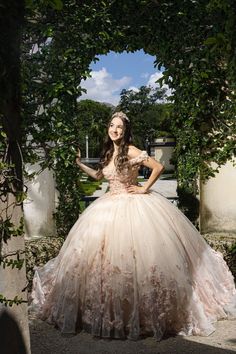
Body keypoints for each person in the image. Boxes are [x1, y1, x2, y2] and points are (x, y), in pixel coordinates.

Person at [30, 111, 236, 340]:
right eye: (111, 125)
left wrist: (144, 188)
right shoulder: (109, 151)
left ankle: (146, 315)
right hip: (107, 206)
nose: (114, 130)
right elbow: (99, 176)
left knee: (140, 260)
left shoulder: (131, 150)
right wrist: (79, 163)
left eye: (119, 127)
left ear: (126, 131)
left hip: (133, 206)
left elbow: (157, 167)